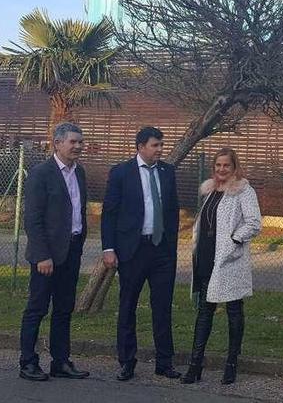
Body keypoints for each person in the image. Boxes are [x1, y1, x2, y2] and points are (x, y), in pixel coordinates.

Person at [101, 126, 181, 381]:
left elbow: (172, 211)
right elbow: (110, 212)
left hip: (161, 250)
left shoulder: (168, 172)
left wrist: (171, 245)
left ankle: (164, 362)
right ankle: (127, 361)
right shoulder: (121, 173)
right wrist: (109, 248)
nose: (160, 150)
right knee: (128, 305)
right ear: (140, 147)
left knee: (162, 306)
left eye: (161, 145)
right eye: (155, 145)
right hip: (132, 250)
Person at [181, 147, 260, 385]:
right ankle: (195, 365)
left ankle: (231, 364)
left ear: (234, 167)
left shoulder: (244, 191)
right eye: (218, 165)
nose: (221, 169)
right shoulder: (211, 191)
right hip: (206, 259)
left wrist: (235, 240)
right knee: (204, 312)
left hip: (229, 260)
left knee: (234, 312)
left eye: (226, 165)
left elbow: (254, 223)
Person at [17, 122, 90, 382]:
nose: (78, 146)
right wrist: (41, 255)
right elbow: (33, 219)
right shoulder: (41, 173)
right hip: (46, 256)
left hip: (71, 252)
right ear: (57, 143)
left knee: (63, 309)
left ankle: (60, 361)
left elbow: (78, 211)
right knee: (37, 309)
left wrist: (79, 243)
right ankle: (28, 362)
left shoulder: (79, 172)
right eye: (73, 142)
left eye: (80, 142)